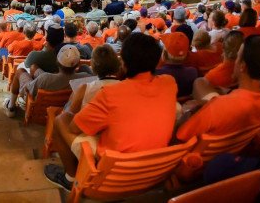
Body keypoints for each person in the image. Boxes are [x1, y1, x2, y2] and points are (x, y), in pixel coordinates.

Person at [44, 32, 177, 190]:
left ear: (124, 64)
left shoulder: (110, 94)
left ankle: (70, 178)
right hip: (154, 165)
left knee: (61, 120)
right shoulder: (169, 83)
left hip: (114, 167)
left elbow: (73, 127)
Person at [177, 35, 260, 142]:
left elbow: (181, 136)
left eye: (237, 57)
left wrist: (189, 113)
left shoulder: (217, 107)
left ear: (243, 66)